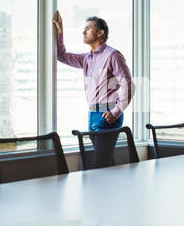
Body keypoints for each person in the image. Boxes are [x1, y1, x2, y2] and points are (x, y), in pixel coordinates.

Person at [53, 10, 135, 168]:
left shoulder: (113, 55)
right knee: (106, 164)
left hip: (108, 115)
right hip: (92, 114)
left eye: (88, 28)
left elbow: (128, 84)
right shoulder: (87, 58)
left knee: (100, 165)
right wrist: (60, 30)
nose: (83, 31)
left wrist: (116, 112)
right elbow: (61, 55)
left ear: (100, 33)